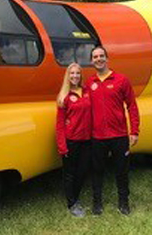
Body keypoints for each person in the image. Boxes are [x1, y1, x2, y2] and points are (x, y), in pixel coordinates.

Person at [85, 46, 140, 216]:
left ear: (107, 59)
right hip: (97, 137)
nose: (99, 59)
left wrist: (134, 131)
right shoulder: (89, 83)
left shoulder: (121, 80)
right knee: (97, 171)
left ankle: (123, 203)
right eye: (95, 57)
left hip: (119, 136)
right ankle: (97, 204)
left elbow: (132, 106)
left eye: (102, 56)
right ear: (91, 61)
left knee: (121, 172)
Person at [56, 63, 92, 217]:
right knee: (70, 173)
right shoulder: (64, 96)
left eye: (77, 73)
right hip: (71, 141)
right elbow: (59, 124)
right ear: (68, 76)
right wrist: (62, 146)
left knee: (83, 171)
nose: (75, 76)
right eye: (72, 74)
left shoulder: (87, 92)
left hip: (87, 140)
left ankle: (75, 198)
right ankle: (72, 203)